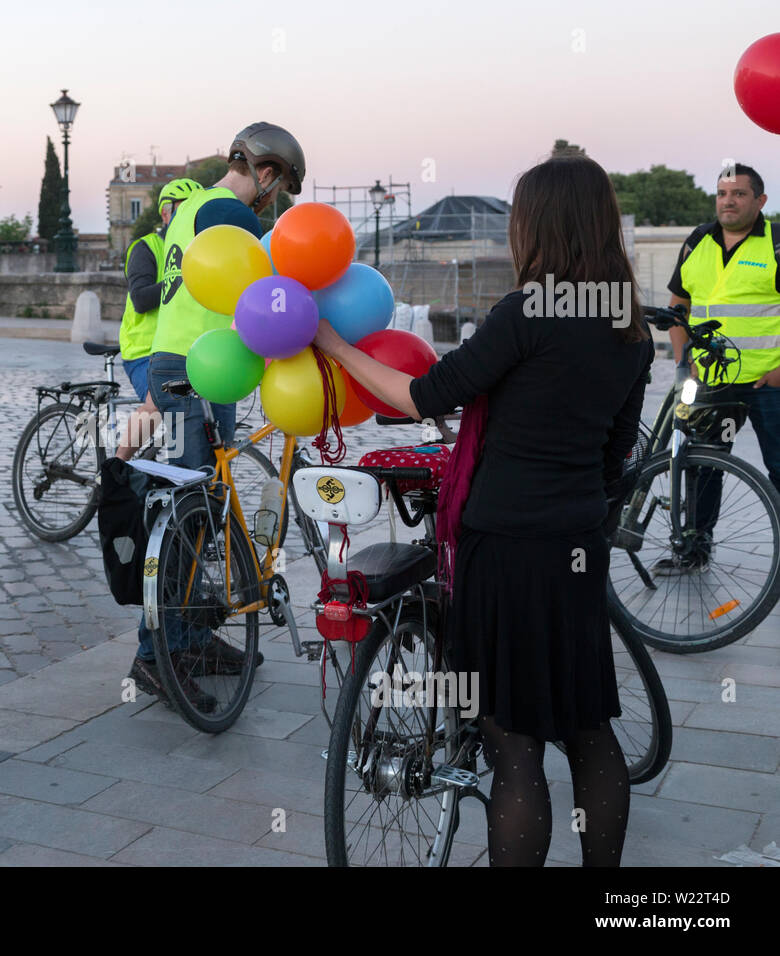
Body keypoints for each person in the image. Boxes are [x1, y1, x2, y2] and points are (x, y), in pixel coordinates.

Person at [314, 155, 653, 866]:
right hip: (577, 547)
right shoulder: (629, 327)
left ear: (541, 226)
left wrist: (337, 346)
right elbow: (616, 452)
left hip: (505, 547)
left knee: (512, 739)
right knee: (589, 730)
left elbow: (423, 396)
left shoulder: (528, 311)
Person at [127, 123, 304, 708]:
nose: (271, 202)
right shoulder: (229, 213)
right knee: (189, 515)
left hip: (200, 366)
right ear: (267, 172)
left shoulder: (197, 203)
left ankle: (195, 635)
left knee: (202, 510)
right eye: (276, 192)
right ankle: (158, 656)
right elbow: (273, 281)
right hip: (196, 371)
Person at [661, 162, 780, 574]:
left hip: (768, 383)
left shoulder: (776, 243)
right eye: (722, 194)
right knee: (702, 468)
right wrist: (683, 361)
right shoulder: (698, 242)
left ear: (760, 201)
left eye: (739, 194)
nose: (728, 201)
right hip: (711, 381)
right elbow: (678, 305)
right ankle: (694, 550)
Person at [115, 178, 202, 460]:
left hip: (183, 349)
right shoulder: (147, 247)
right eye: (183, 208)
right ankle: (114, 471)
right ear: (166, 214)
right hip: (144, 350)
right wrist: (185, 280)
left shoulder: (203, 252)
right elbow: (140, 299)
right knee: (160, 404)